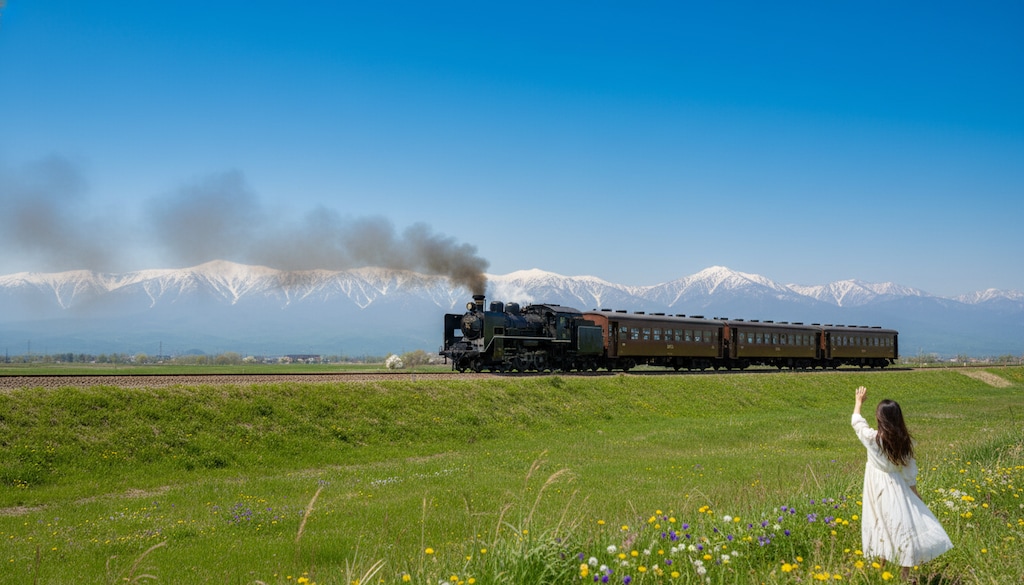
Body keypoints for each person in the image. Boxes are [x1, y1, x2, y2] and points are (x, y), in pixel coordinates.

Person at [852, 386, 953, 579]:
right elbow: (909, 474)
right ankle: (904, 575)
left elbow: (857, 422)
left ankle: (881, 571)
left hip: (876, 489)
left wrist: (858, 402)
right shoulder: (904, 443)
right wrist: (915, 495)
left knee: (880, 525)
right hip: (898, 489)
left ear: (879, 419)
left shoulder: (873, 439)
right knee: (902, 528)